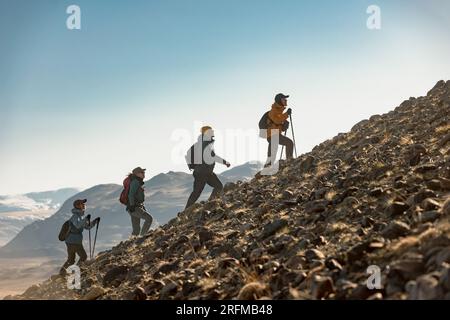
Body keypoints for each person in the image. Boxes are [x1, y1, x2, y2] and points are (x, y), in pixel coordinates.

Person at [185, 126, 231, 209]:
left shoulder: (204, 142)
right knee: (197, 193)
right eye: (211, 130)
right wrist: (225, 162)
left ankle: (211, 203)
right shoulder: (204, 143)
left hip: (206, 172)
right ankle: (186, 211)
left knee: (218, 186)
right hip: (202, 172)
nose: (213, 131)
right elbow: (213, 156)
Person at [60, 199, 99, 276]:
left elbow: (87, 227)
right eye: (82, 204)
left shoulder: (80, 217)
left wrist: (94, 221)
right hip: (74, 241)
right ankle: (74, 271)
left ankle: (63, 272)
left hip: (71, 240)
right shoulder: (75, 216)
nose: (84, 205)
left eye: (84, 204)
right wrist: (85, 219)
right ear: (77, 206)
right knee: (83, 256)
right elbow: (78, 226)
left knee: (71, 259)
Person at [265, 93, 294, 167]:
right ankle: (289, 161)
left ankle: (268, 167)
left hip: (274, 134)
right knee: (289, 143)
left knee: (272, 153)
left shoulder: (279, 111)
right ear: (279, 100)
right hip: (272, 135)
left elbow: (277, 124)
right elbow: (277, 121)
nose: (286, 100)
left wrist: (284, 126)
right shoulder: (273, 111)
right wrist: (287, 114)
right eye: (284, 99)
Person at [127, 167, 153, 237]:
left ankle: (132, 243)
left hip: (134, 207)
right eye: (142, 172)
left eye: (144, 172)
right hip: (134, 207)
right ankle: (142, 237)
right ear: (137, 174)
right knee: (149, 219)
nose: (144, 174)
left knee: (136, 230)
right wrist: (132, 206)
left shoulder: (137, 182)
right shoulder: (135, 182)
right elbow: (131, 194)